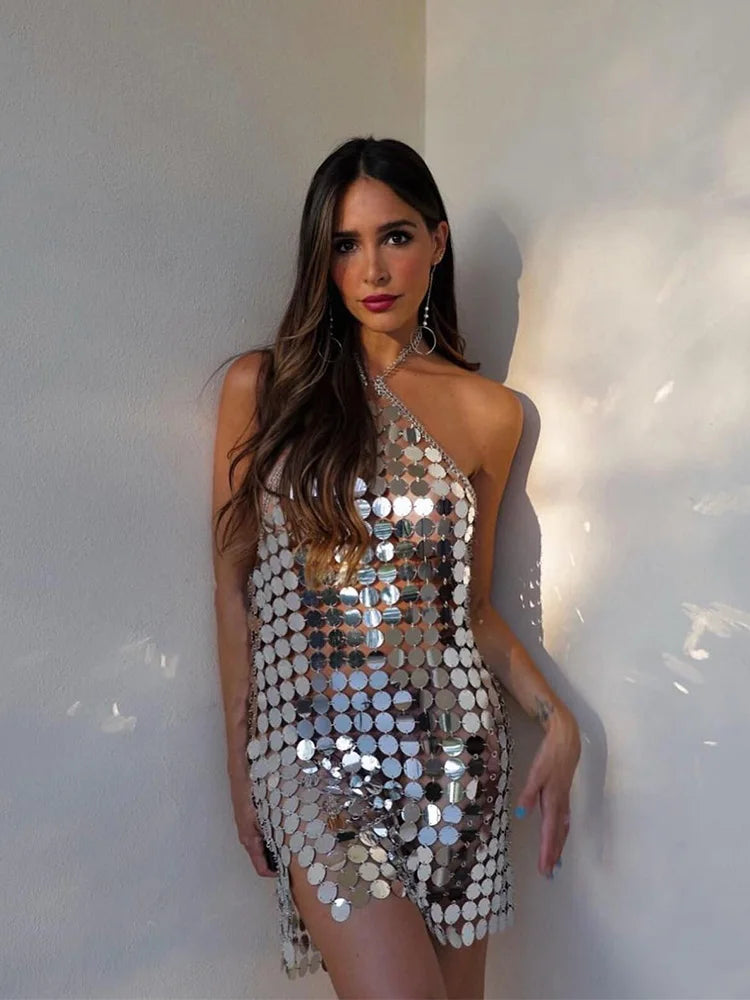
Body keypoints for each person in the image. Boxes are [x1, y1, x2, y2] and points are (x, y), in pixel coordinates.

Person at [211, 136, 581, 1000]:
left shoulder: (491, 414)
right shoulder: (264, 390)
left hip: (455, 757)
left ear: (438, 241)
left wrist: (555, 719)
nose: (372, 268)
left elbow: (469, 610)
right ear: (322, 258)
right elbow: (232, 587)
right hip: (309, 759)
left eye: (397, 236)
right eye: (346, 244)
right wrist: (242, 765)